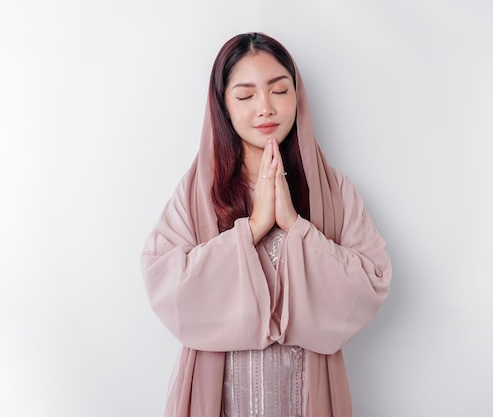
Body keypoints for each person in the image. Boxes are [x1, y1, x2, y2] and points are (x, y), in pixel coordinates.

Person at [141, 32, 392, 417]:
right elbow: (167, 287)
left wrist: (294, 225)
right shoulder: (198, 193)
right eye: (245, 96)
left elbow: (369, 285)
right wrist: (253, 228)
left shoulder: (334, 190)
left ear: (298, 96)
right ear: (223, 106)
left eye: (279, 91)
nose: (266, 108)